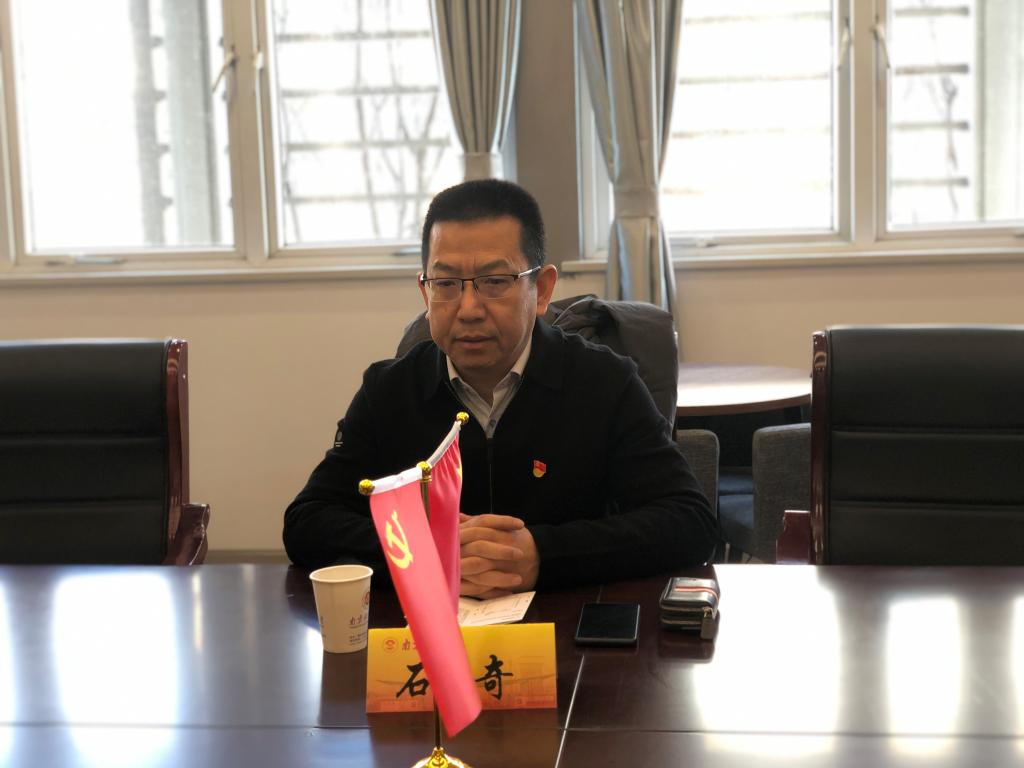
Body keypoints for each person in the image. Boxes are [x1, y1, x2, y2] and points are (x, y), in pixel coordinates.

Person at [283, 179, 718, 595]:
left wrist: (542, 555)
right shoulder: (389, 391)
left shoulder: (604, 382)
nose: (469, 309)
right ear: (425, 293)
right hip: (429, 631)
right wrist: (423, 549)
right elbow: (307, 522)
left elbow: (690, 521)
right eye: (446, 284)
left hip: (566, 625)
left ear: (541, 290)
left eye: (494, 282)